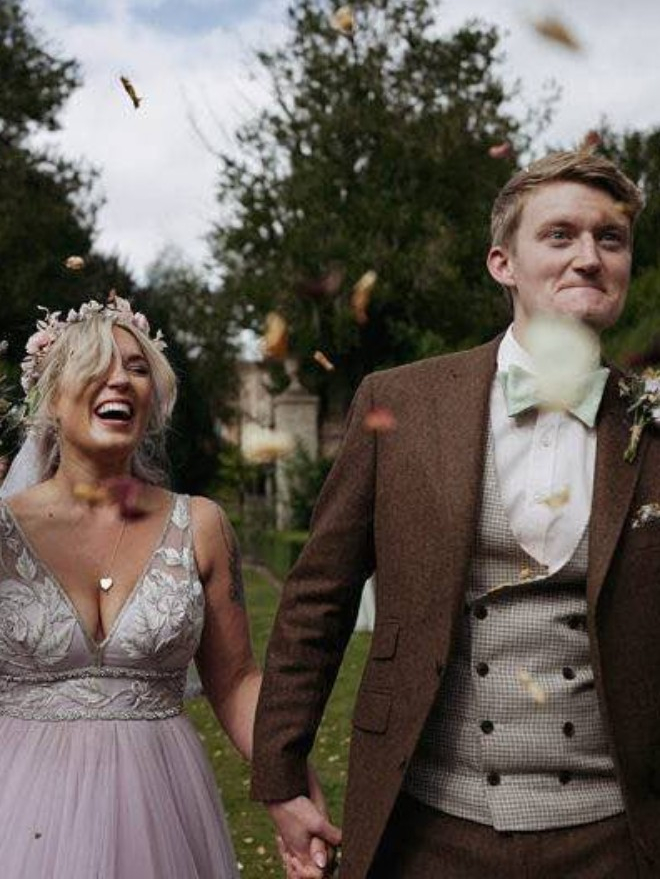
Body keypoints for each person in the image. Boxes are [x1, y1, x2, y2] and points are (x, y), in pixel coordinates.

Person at [252, 151, 660, 878]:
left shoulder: (652, 425)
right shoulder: (402, 402)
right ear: (503, 263)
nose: (589, 258)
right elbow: (320, 594)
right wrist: (281, 772)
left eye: (611, 239)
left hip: (616, 834)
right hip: (428, 824)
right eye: (560, 236)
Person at [0, 296, 257, 878]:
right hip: (18, 807)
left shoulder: (202, 526)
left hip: (162, 806)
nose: (120, 379)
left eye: (138, 369)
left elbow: (239, 682)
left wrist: (290, 782)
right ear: (50, 398)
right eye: (96, 364)